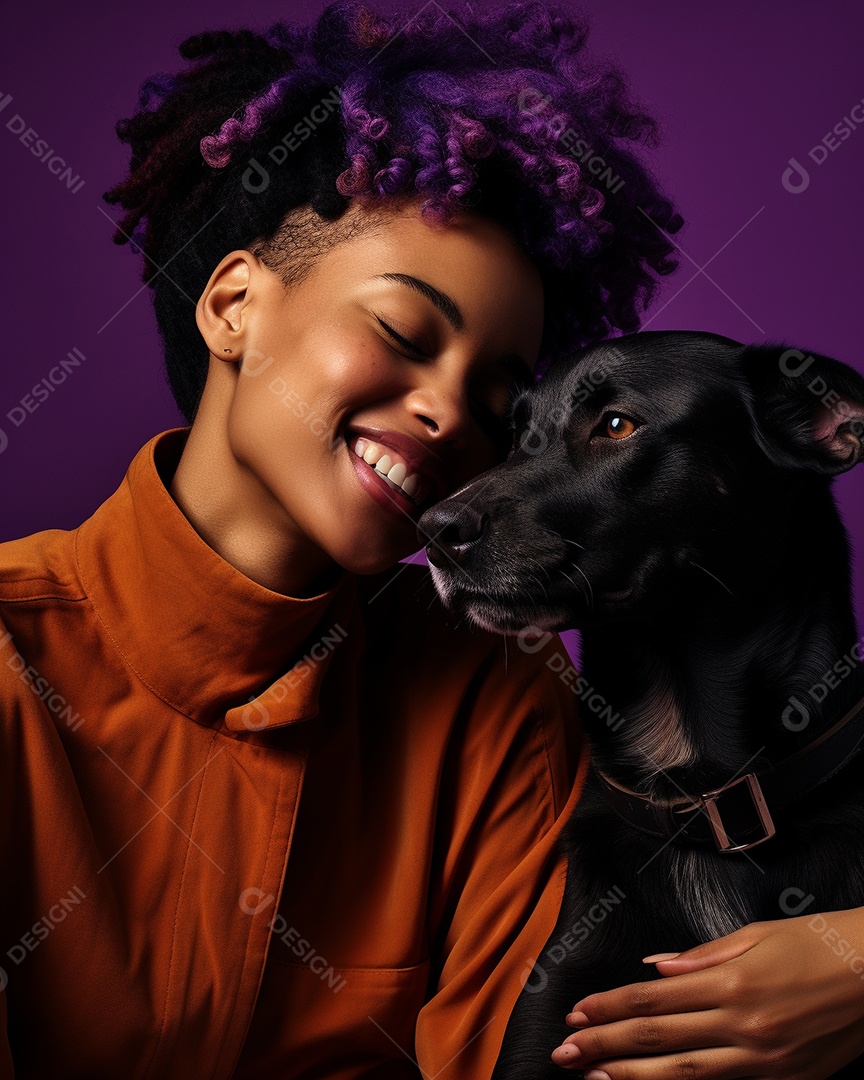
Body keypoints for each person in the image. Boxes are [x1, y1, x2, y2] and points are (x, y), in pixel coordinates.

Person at [0, 2, 861, 1078]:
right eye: (405, 335)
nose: (451, 416)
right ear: (233, 306)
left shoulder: (498, 699)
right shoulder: (11, 664)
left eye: (499, 402)